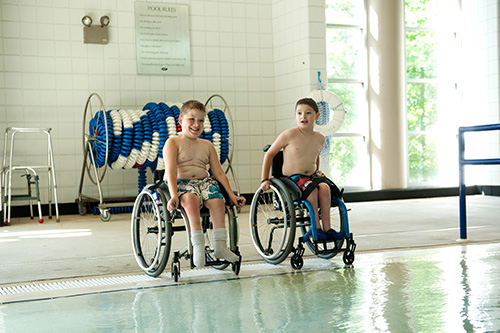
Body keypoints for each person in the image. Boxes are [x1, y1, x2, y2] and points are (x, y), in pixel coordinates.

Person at [163, 100, 246, 267]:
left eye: (201, 120)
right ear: (180, 121)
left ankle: (220, 246)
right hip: (182, 183)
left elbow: (219, 173)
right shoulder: (173, 143)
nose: (196, 124)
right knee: (191, 201)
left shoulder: (207, 145)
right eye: (191, 120)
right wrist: (173, 195)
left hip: (204, 181)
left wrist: (231, 195)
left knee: (218, 201)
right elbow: (170, 171)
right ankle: (198, 245)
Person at [261, 97, 342, 241]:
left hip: (311, 177)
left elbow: (315, 155)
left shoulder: (320, 138)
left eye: (308, 113)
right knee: (312, 188)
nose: (303, 116)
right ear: (295, 116)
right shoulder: (289, 134)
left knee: (324, 188)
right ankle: (316, 228)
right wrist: (265, 179)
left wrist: (317, 171)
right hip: (292, 179)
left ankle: (327, 229)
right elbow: (270, 154)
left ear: (317, 116)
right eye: (299, 113)